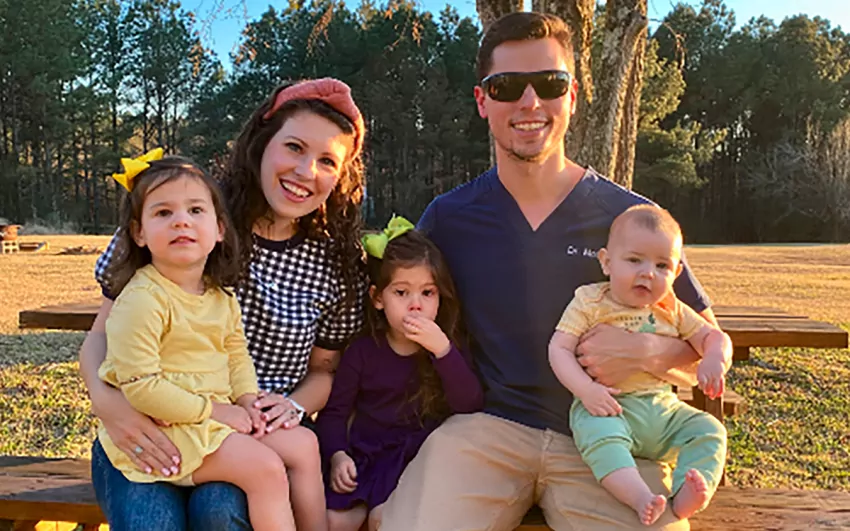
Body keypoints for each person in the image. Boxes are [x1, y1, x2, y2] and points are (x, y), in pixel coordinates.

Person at [381, 12, 716, 531]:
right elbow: (396, 314)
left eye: (550, 83)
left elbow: (707, 345)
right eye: (507, 86)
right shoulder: (448, 217)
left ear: (573, 96)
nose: (530, 102)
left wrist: (649, 353)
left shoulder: (630, 219)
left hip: (614, 438)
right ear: (482, 101)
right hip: (485, 431)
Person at [79, 78, 368, 530]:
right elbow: (101, 333)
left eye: (327, 161)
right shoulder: (183, 211)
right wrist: (109, 405)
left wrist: (291, 406)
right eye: (294, 147)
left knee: (221, 510)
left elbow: (324, 370)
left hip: (257, 426)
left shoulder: (338, 262)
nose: (305, 171)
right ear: (262, 143)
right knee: (152, 520)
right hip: (145, 418)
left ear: (340, 176)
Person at [98, 152, 320, 530]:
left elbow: (236, 354)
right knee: (264, 469)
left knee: (304, 446)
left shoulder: (220, 296)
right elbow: (142, 387)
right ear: (139, 233)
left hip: (212, 419)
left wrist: (248, 400)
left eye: (195, 210)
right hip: (166, 428)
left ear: (219, 229)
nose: (181, 220)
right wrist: (217, 412)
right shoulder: (142, 299)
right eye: (163, 212)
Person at [548, 204, 730, 525]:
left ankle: (687, 492)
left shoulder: (671, 308)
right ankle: (638, 495)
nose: (648, 272)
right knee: (599, 436)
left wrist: (714, 357)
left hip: (664, 411)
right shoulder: (591, 301)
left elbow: (714, 336)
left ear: (676, 274)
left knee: (709, 429)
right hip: (610, 406)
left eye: (662, 265)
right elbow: (559, 348)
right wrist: (586, 390)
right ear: (606, 262)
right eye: (634, 260)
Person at [316, 217, 483, 531]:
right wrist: (338, 454)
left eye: (427, 293)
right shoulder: (362, 351)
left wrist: (443, 351)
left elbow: (469, 404)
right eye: (402, 292)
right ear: (378, 298)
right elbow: (335, 412)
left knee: (384, 519)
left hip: (414, 464)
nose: (415, 305)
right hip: (365, 457)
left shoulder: (447, 347)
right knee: (334, 521)